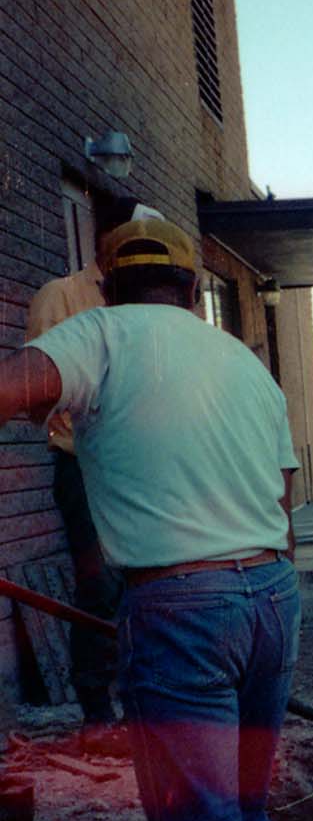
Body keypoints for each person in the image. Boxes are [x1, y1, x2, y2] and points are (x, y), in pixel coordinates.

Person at [0, 215, 303, 821]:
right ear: (191, 288)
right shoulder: (243, 363)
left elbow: (12, 390)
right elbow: (284, 502)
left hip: (180, 610)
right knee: (246, 815)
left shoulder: (98, 335)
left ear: (107, 283)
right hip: (271, 596)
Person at [25, 199, 161, 755]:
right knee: (98, 583)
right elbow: (40, 386)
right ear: (105, 240)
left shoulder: (152, 307)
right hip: (84, 465)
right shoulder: (60, 296)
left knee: (148, 580)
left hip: (144, 464)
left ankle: (144, 705)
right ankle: (97, 711)